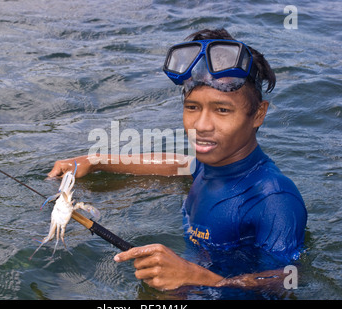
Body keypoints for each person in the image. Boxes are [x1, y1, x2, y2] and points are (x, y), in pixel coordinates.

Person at [48, 28, 307, 291]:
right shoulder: (211, 165)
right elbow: (177, 164)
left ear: (258, 115)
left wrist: (196, 277)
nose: (202, 125)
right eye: (192, 107)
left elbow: (292, 279)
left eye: (222, 110)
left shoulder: (275, 199)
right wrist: (96, 160)